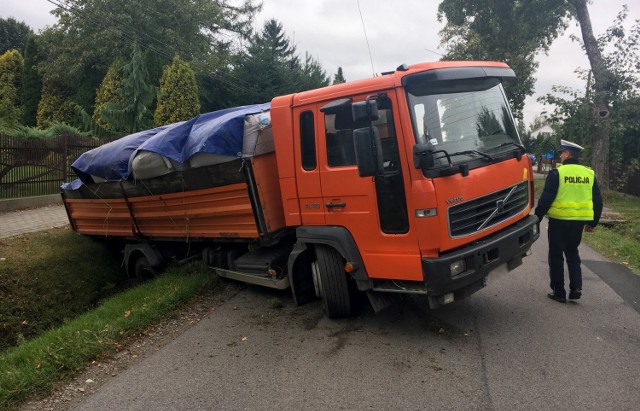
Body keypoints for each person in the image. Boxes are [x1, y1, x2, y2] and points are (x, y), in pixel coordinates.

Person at [534, 139, 603, 303]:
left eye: (562, 153)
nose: (560, 155)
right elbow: (598, 201)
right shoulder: (589, 174)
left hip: (559, 221)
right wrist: (593, 223)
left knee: (556, 255)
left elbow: (546, 199)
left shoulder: (558, 173)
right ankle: (576, 288)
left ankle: (559, 292)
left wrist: (536, 218)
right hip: (578, 222)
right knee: (572, 253)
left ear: (568, 154)